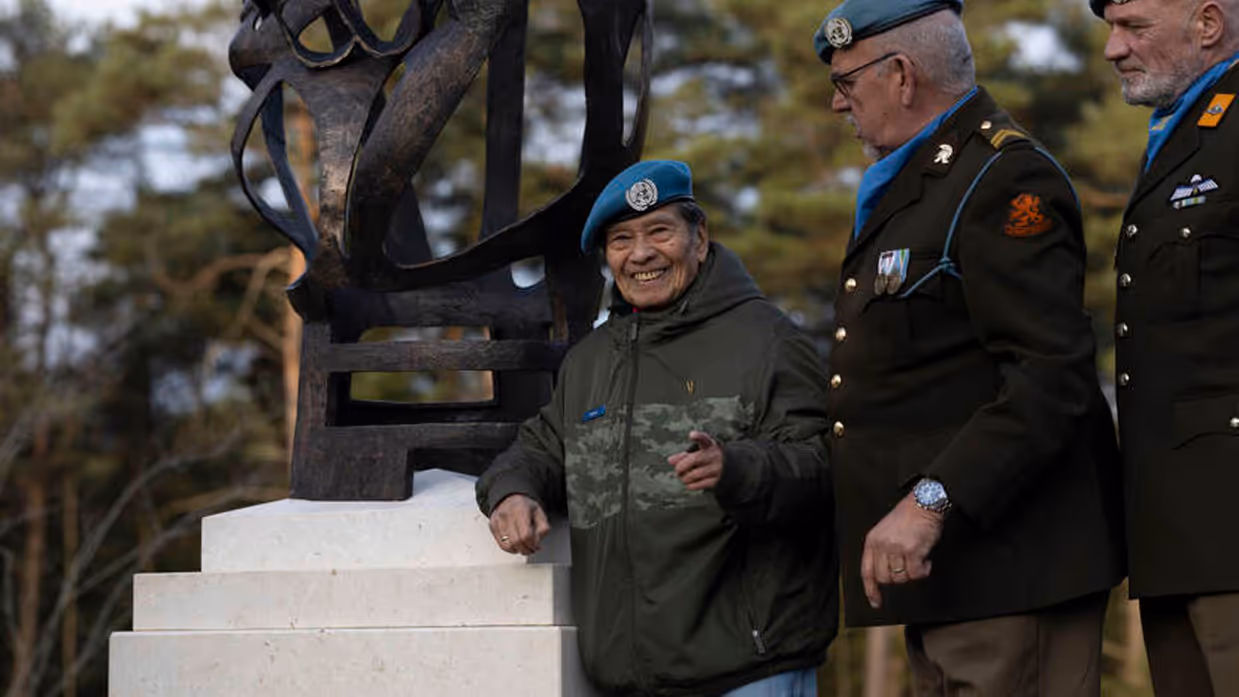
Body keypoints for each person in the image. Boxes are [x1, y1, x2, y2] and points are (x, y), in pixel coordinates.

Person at [813, 1, 1125, 693]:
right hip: (954, 573)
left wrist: (929, 500)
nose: (838, 105)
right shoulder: (925, 182)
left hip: (1014, 567)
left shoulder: (1002, 178)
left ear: (899, 75)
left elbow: (1050, 374)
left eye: (845, 83)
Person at [475, 160, 837, 696]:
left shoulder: (768, 340)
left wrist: (737, 468)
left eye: (659, 232)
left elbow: (826, 465)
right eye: (621, 239)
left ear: (700, 238)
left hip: (749, 673)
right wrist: (512, 491)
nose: (640, 253)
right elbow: (541, 449)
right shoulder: (591, 360)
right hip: (626, 681)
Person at [1091, 0, 1239, 693]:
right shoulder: (1186, 133)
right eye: (1108, 28)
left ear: (1207, 24)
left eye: (1133, 27)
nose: (1112, 49)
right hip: (1175, 533)